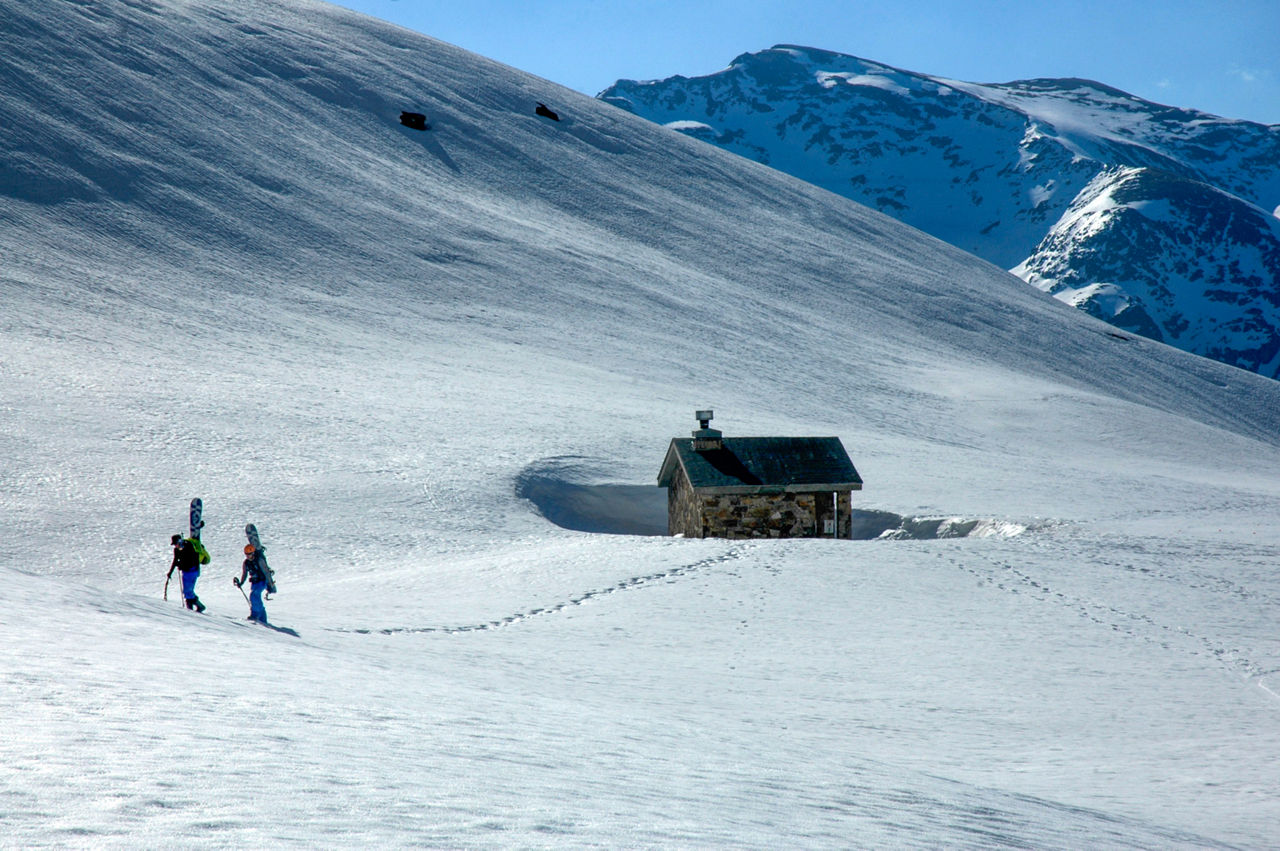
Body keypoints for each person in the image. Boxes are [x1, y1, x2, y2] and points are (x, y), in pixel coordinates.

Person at [167, 533, 209, 612]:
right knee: (187, 591)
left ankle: (198, 607)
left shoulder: (188, 547)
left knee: (188, 591)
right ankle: (191, 608)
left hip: (191, 571)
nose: (175, 546)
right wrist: (170, 572)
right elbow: (175, 561)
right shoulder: (178, 549)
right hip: (189, 571)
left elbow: (190, 561)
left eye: (175, 543)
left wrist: (180, 565)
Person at [235, 542, 270, 623]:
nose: (248, 556)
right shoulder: (246, 563)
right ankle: (262, 618)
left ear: (253, 553)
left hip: (262, 581)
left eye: (249, 554)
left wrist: (269, 584)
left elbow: (266, 571)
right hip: (254, 583)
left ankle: (255, 615)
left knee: (254, 596)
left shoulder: (259, 560)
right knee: (255, 598)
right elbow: (244, 573)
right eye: (246, 554)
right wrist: (241, 582)